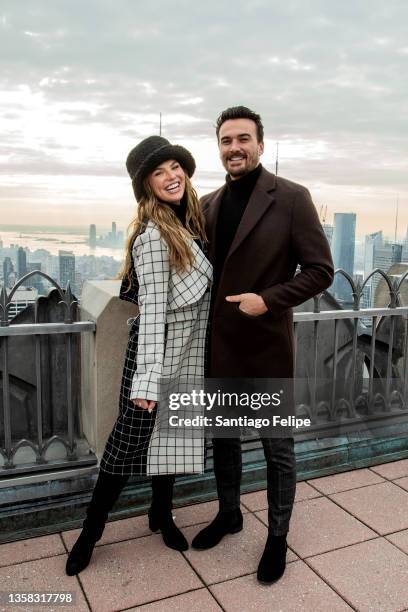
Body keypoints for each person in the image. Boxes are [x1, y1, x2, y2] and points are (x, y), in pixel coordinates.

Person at [191, 106, 334, 584]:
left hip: (267, 346)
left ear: (260, 144)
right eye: (227, 140)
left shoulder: (292, 198)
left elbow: (320, 271)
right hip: (220, 348)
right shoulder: (207, 203)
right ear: (220, 147)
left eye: (243, 139)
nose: (235, 147)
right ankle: (230, 514)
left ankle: (277, 538)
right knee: (224, 441)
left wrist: (267, 301)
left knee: (278, 450)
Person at [66, 136, 212, 576]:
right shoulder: (153, 236)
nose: (171, 176)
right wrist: (146, 380)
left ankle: (161, 515)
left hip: (187, 351)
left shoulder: (190, 224)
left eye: (175, 167)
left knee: (170, 439)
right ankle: (89, 533)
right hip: (155, 355)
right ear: (146, 185)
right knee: (124, 449)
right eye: (159, 171)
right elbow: (150, 313)